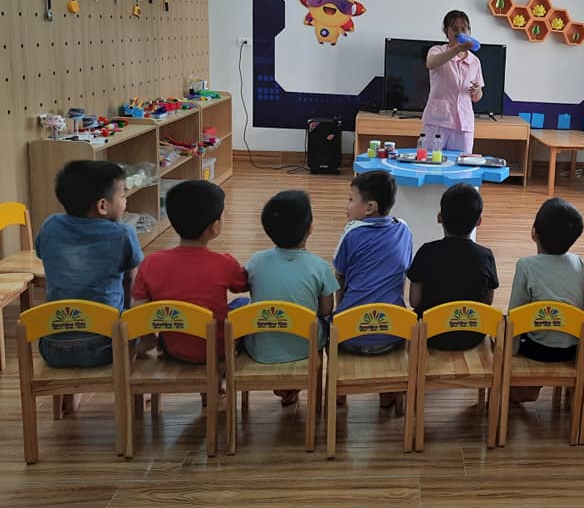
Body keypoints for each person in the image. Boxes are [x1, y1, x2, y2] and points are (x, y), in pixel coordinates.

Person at [36, 160, 143, 380]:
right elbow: (131, 282)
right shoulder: (123, 234)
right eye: (123, 196)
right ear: (102, 205)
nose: (125, 201)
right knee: (141, 326)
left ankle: (69, 394)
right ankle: (132, 388)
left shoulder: (50, 226)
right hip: (105, 345)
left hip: (52, 346)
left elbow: (45, 259)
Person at [132, 180, 248, 363]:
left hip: (173, 349)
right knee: (244, 304)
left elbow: (138, 308)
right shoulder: (225, 263)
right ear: (215, 226)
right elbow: (243, 285)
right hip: (218, 350)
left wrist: (148, 338)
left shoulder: (150, 263)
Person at [245, 190, 339, 407]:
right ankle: (293, 386)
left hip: (261, 349)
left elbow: (256, 295)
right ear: (310, 228)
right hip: (305, 348)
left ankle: (286, 387)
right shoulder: (320, 266)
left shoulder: (255, 261)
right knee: (327, 322)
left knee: (243, 310)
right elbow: (326, 310)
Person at [508, 198, 584, 402]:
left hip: (537, 349)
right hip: (572, 350)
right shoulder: (578, 262)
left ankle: (526, 388)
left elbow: (515, 315)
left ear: (533, 232)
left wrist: (511, 353)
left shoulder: (525, 266)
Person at [407, 183, 499, 351]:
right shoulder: (485, 256)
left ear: (439, 217)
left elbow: (415, 301)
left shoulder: (426, 252)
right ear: (479, 221)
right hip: (473, 335)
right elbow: (488, 302)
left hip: (430, 334)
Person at [333, 171, 413, 355]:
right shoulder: (404, 229)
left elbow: (339, 276)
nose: (347, 205)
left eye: (351, 200)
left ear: (370, 207)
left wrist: (342, 313)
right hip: (394, 333)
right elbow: (403, 273)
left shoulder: (351, 232)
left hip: (350, 335)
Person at [422, 9, 484, 154]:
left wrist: (477, 91)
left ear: (469, 31)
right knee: (430, 161)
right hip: (438, 121)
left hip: (464, 124)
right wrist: (457, 49)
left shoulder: (474, 61)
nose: (460, 32)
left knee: (462, 163)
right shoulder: (437, 50)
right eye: (455, 29)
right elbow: (431, 63)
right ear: (446, 31)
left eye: (464, 28)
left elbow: (477, 96)